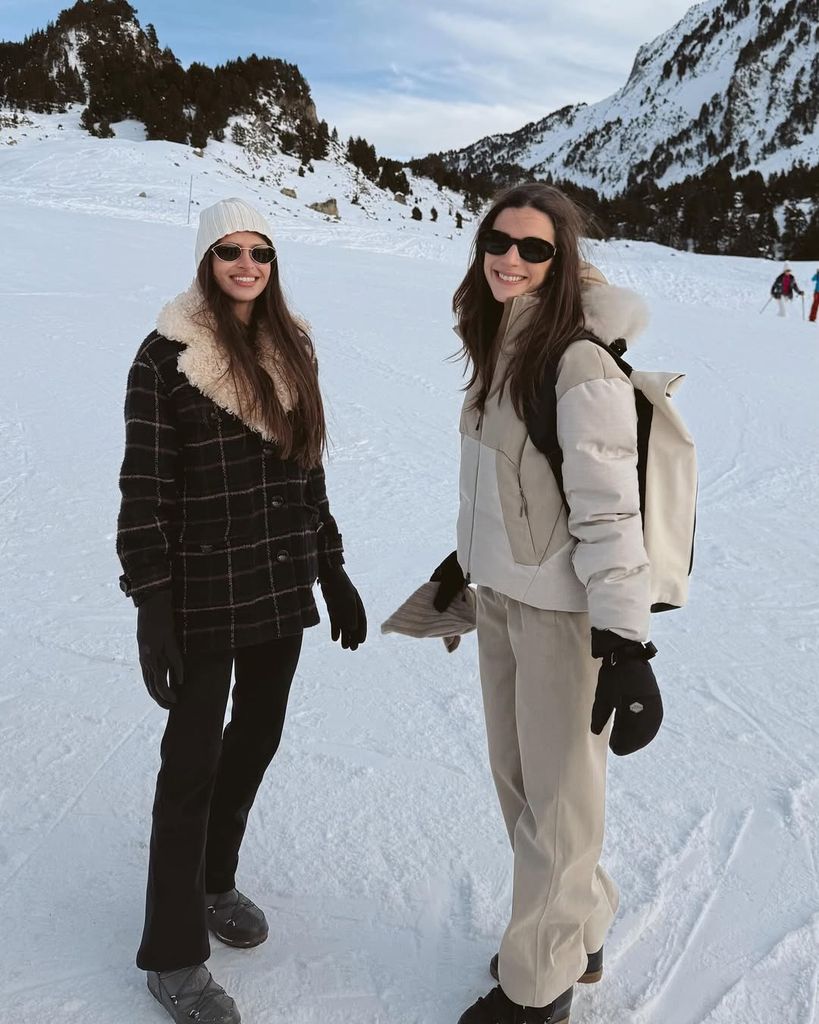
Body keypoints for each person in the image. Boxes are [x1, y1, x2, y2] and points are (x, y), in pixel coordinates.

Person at [117, 197, 367, 1024]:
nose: (246, 264)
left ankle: (215, 878)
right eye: (229, 250)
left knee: (254, 739)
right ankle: (172, 953)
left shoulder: (289, 350)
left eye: (260, 250)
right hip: (197, 592)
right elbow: (144, 489)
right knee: (189, 765)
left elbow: (307, 473)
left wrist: (331, 572)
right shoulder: (164, 359)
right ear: (205, 259)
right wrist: (153, 605)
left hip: (276, 582)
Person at [430, 183, 662, 1024]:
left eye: (535, 249)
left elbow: (607, 513)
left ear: (561, 261)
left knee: (558, 807)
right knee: (525, 791)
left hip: (566, 619)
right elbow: (509, 486)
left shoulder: (576, 362)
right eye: (500, 240)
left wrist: (625, 646)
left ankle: (538, 991)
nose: (511, 260)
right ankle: (577, 928)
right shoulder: (500, 342)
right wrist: (466, 566)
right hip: (502, 599)